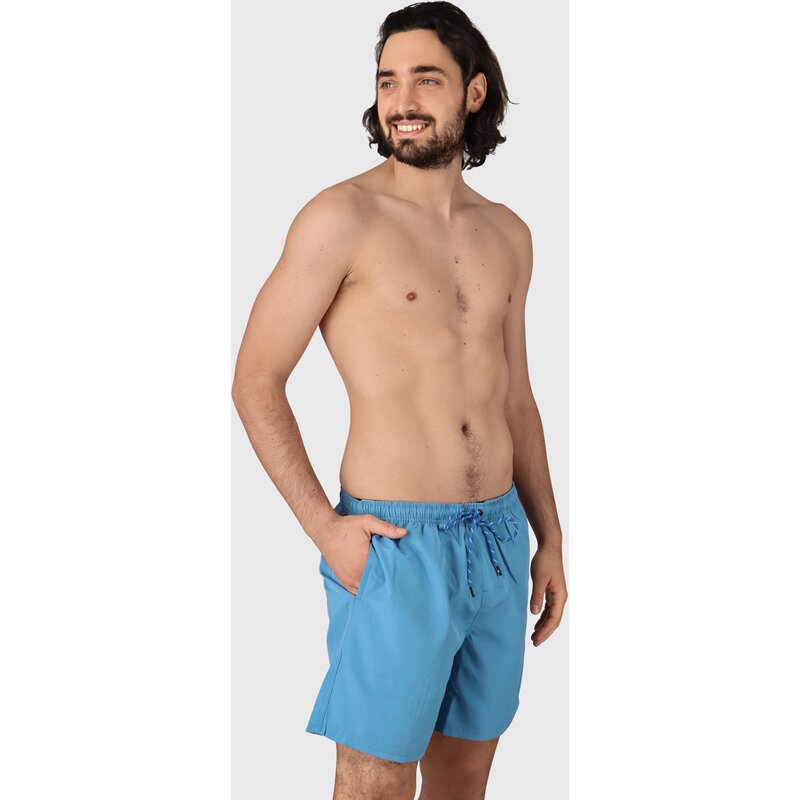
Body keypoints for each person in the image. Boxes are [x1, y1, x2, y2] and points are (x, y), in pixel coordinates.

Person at [231, 2, 567, 797]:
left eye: (426, 79)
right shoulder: (340, 217)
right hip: (395, 543)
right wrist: (326, 529)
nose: (402, 100)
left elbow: (516, 399)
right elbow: (255, 379)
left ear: (474, 92)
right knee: (374, 782)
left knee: (465, 778)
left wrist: (550, 536)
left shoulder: (509, 233)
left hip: (498, 537)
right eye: (388, 81)